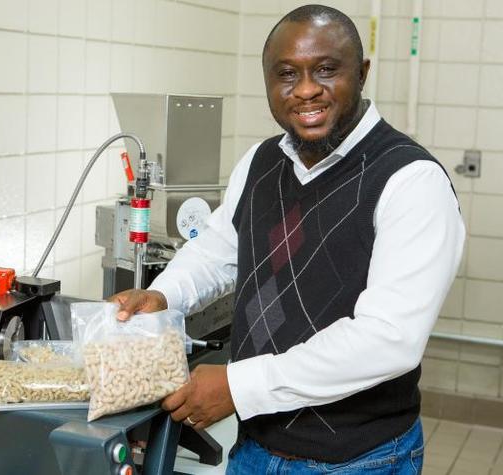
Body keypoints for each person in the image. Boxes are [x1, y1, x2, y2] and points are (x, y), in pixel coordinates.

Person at [110, 4, 465, 474]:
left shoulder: (410, 180)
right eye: (285, 74)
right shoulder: (261, 163)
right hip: (255, 449)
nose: (305, 90)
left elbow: (387, 340)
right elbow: (219, 252)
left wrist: (239, 387)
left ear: (361, 74)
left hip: (359, 460)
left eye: (325, 70)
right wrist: (163, 294)